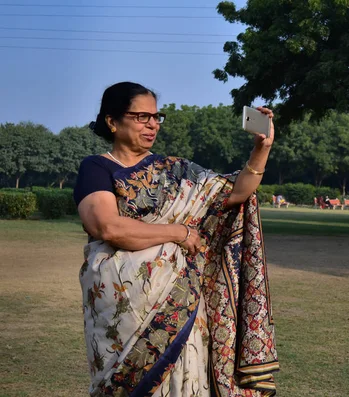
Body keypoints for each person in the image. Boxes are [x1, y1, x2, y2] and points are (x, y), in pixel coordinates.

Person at [73, 82, 279, 397]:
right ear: (112, 121)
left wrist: (261, 149)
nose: (152, 124)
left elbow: (236, 192)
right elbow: (107, 227)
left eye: (157, 117)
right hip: (123, 313)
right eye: (142, 117)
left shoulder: (175, 171)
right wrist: (179, 232)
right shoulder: (97, 167)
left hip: (182, 303)